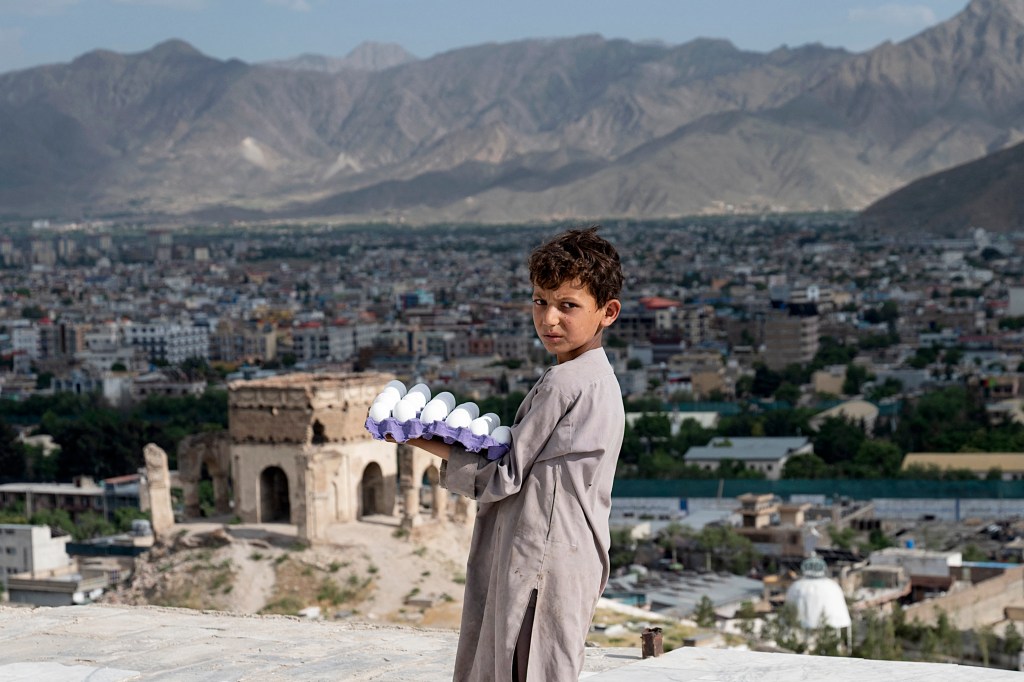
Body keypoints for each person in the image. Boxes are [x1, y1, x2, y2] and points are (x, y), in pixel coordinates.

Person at [401, 226, 624, 681]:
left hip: (541, 558)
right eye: (541, 301)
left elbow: (503, 477)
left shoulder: (565, 383)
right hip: (570, 551)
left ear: (608, 312)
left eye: (568, 305)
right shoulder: (599, 379)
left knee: (522, 667)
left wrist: (412, 437)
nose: (550, 319)